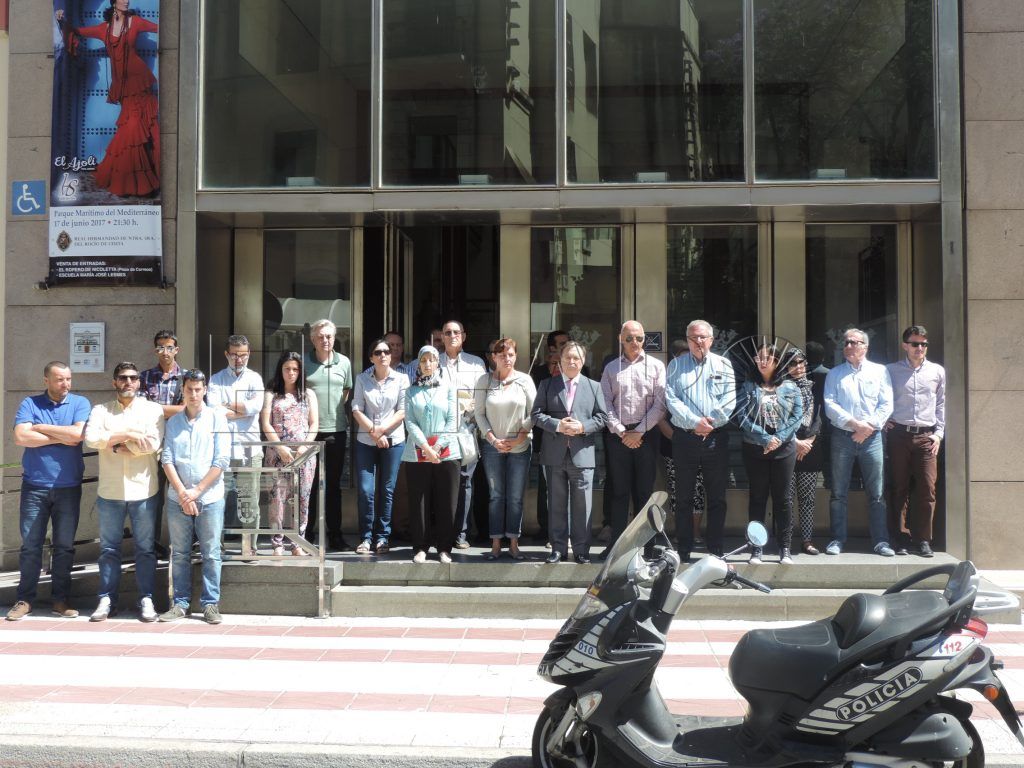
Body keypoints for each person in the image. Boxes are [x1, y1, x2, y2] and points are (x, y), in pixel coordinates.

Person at [6, 362, 90, 621]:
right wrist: (62, 437)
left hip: (68, 486)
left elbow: (77, 435)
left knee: (64, 547)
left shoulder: (80, 403)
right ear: (46, 381)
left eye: (68, 379)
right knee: (31, 546)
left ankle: (60, 600)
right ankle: (25, 599)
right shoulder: (30, 404)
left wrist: (40, 428)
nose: (66, 384)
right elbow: (21, 437)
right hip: (35, 486)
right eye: (59, 379)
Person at [84, 361, 165, 621]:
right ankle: (106, 599)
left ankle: (146, 599)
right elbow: (91, 439)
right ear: (114, 382)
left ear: (139, 382)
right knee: (109, 549)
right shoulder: (101, 410)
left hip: (144, 491)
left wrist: (116, 444)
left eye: (132, 378)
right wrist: (130, 433)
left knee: (145, 549)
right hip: (111, 492)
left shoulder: (153, 410)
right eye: (122, 378)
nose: (128, 382)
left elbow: (152, 444)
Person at [55, 1, 160, 197]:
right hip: (123, 86)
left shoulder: (135, 22)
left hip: (140, 82)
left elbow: (159, 28)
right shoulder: (104, 28)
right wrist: (62, 21)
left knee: (138, 128)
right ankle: (130, 180)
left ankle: (135, 181)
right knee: (136, 129)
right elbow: (78, 31)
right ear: (113, 2)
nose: (126, 0)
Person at [160, 369, 231, 624]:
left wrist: (197, 491)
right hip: (178, 498)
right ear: (183, 390)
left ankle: (210, 604)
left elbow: (221, 460)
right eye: (189, 389)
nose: (193, 394)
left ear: (205, 391)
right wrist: (183, 493)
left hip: (209, 498)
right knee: (180, 553)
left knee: (211, 552)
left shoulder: (216, 419)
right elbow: (166, 459)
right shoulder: (173, 422)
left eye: (198, 389)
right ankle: (180, 603)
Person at [664, 320, 736, 560]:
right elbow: (671, 399)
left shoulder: (724, 365)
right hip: (685, 439)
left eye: (703, 337)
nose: (698, 341)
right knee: (683, 497)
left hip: (715, 439)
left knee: (717, 497)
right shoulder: (675, 365)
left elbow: (730, 401)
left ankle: (715, 549)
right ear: (687, 340)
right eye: (693, 338)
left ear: (711, 340)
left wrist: (709, 424)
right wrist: (695, 422)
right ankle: (684, 549)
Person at [532, 341, 607, 564]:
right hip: (554, 453)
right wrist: (557, 425)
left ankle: (582, 550)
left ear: (583, 361)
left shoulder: (594, 386)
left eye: (576, 358)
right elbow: (536, 415)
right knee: (556, 504)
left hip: (582, 454)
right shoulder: (547, 384)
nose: (572, 362)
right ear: (560, 360)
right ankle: (558, 549)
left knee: (583, 505)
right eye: (567, 357)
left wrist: (582, 427)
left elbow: (602, 418)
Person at [823, 328, 895, 557]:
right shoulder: (834, 374)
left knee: (877, 493)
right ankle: (837, 539)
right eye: (846, 342)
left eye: (853, 342)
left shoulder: (880, 371)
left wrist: (867, 428)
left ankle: (881, 541)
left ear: (865, 346)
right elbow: (830, 405)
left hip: (872, 439)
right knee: (838, 492)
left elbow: (887, 404)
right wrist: (855, 425)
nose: (848, 346)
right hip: (842, 437)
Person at [735, 344, 803, 564]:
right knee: (757, 498)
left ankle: (785, 547)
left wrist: (778, 438)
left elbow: (797, 416)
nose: (762, 361)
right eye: (759, 357)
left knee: (783, 499)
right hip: (755, 448)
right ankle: (756, 547)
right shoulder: (748, 386)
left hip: (784, 450)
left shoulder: (791, 386)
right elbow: (742, 417)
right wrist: (766, 438)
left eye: (767, 357)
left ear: (777, 361)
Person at [600, 321, 666, 547]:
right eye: (629, 338)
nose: (634, 342)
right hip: (617, 436)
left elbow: (660, 404)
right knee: (618, 492)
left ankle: (646, 547)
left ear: (644, 339)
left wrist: (638, 431)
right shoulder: (611, 368)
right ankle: (617, 547)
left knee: (644, 493)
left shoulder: (656, 366)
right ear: (621, 339)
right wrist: (621, 432)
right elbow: (605, 403)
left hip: (647, 435)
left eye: (638, 338)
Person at [886, 325, 945, 557]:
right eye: (915, 343)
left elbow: (941, 404)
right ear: (905, 346)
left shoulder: (937, 371)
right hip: (899, 434)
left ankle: (922, 540)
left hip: (926, 437)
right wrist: (884, 421)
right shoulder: (891, 371)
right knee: (898, 487)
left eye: (923, 344)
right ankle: (900, 538)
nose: (920, 348)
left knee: (927, 488)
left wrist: (938, 433)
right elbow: (881, 398)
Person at [475, 338, 537, 560]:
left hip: (520, 446)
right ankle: (495, 543)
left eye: (510, 354)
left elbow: (535, 412)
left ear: (516, 356)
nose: (507, 359)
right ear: (493, 357)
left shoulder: (525, 380)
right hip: (493, 447)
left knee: (515, 497)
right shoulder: (484, 381)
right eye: (502, 355)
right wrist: (492, 439)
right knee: (496, 496)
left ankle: (513, 542)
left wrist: (521, 435)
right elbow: (479, 414)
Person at [402, 346, 462, 563]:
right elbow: (410, 422)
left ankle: (444, 547)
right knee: (419, 501)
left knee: (446, 501)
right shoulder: (410, 391)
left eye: (431, 360)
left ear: (438, 363)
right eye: (423, 360)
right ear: (418, 364)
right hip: (418, 453)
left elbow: (453, 420)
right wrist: (426, 448)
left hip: (447, 452)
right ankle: (421, 546)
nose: (427, 364)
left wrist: (438, 447)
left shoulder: (449, 388)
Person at [208, 334, 264, 557]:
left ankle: (249, 547)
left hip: (249, 447)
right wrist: (242, 410)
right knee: (217, 499)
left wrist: (227, 406)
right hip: (221, 448)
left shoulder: (255, 379)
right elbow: (213, 410)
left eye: (242, 355)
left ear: (248, 354)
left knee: (249, 500)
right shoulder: (216, 379)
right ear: (226, 354)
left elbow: (255, 407)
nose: (238, 359)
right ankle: (217, 546)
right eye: (234, 355)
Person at [351, 338, 408, 555]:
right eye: (378, 352)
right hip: (366, 441)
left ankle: (383, 537)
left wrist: (382, 431)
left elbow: (402, 411)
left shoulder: (401, 379)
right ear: (371, 358)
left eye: (386, 351)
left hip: (393, 441)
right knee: (366, 490)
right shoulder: (362, 379)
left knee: (387, 489)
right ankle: (366, 537)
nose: (383, 355)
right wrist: (374, 433)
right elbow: (356, 408)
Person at [260, 351, 319, 557]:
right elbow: (266, 423)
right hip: (277, 453)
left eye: (295, 369)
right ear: (281, 370)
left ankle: (297, 542)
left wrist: (305, 446)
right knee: (277, 498)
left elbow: (314, 423)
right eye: (287, 369)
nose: (291, 373)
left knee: (302, 498)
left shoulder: (308, 394)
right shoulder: (271, 394)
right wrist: (279, 447)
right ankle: (277, 543)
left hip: (304, 455)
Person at [304, 319, 353, 551]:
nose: (326, 340)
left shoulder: (344, 362)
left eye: (329, 336)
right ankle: (306, 535)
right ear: (313, 339)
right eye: (321, 336)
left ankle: (335, 536)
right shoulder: (303, 362)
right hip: (308, 433)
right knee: (309, 485)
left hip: (336, 430)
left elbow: (346, 392)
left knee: (333, 486)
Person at [438, 320, 487, 549]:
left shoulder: (476, 364)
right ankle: (441, 532)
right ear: (442, 337)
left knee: (465, 483)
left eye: (456, 332)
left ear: (464, 336)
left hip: (466, 431)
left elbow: (482, 397)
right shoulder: (432, 361)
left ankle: (460, 533)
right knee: (441, 483)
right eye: (447, 333)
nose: (452, 336)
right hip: (439, 432)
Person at [139, 329, 184, 558]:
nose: (165, 352)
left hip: (179, 447)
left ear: (176, 350)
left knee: (182, 496)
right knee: (152, 501)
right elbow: (140, 410)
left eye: (169, 347)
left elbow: (190, 410)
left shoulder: (187, 377)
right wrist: (172, 410)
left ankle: (183, 546)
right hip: (152, 447)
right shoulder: (144, 377)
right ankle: (152, 548)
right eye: (160, 347)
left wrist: (154, 409)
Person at [786, 349, 826, 555]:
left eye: (801, 362)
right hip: (787, 448)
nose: (798, 367)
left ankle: (807, 540)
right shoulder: (780, 387)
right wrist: (795, 443)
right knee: (786, 498)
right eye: (793, 363)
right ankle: (785, 540)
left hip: (810, 448)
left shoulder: (815, 386)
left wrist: (808, 442)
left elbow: (820, 416)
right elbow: (777, 419)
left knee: (807, 498)